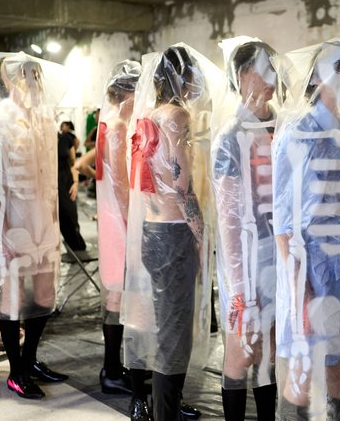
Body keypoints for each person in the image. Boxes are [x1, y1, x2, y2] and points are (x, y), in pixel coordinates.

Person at [0, 51, 69, 399]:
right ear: (9, 79)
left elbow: (51, 178)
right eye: (25, 74)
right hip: (11, 221)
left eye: (36, 74)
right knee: (12, 296)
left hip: (42, 219)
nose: (33, 81)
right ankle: (17, 370)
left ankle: (31, 359)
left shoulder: (45, 120)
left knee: (44, 294)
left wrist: (54, 220)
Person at [272, 40, 340, 420]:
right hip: (310, 269)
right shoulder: (298, 134)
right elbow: (282, 219)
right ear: (318, 77)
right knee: (305, 361)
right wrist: (300, 287)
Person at [122, 45, 209, 421]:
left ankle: (162, 410)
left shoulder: (147, 116)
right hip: (174, 233)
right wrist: (202, 233)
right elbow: (182, 182)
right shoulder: (176, 116)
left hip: (151, 231)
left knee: (164, 330)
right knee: (175, 337)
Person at [212, 39, 280, 420]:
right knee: (242, 349)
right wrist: (238, 289)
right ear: (242, 76)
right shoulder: (230, 136)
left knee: (269, 350)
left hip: (279, 257)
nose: (271, 78)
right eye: (263, 68)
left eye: (274, 68)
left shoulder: (282, 125)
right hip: (247, 265)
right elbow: (228, 221)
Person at [94, 59, 141, 395]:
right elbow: (122, 183)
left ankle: (114, 366)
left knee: (116, 294)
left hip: (109, 217)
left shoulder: (106, 121)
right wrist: (135, 220)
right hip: (119, 220)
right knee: (119, 296)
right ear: (126, 92)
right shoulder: (119, 125)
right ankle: (111, 369)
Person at [57, 120, 87, 252]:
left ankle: (77, 245)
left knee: (69, 214)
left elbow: (73, 162)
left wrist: (76, 183)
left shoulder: (68, 138)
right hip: (51, 181)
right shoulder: (46, 138)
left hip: (66, 180)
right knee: (59, 215)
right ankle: (69, 244)